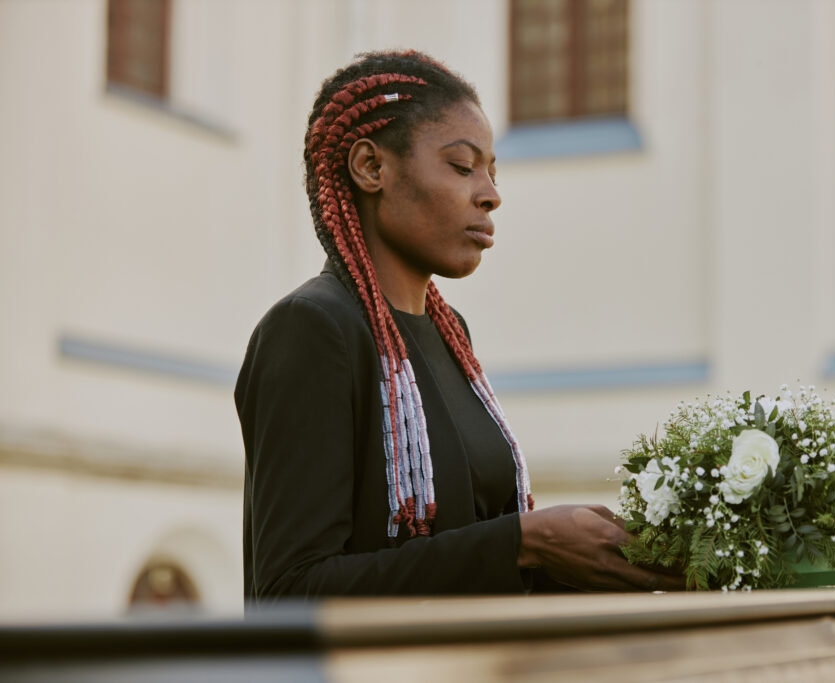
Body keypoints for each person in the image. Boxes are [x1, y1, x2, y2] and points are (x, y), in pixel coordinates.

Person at [236, 50, 683, 602]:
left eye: (492, 171)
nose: (491, 194)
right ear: (371, 168)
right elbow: (291, 592)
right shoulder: (313, 329)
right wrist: (526, 542)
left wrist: (617, 561)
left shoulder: (452, 335)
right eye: (462, 166)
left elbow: (467, 561)